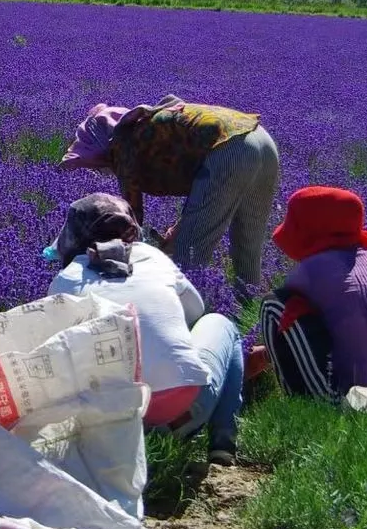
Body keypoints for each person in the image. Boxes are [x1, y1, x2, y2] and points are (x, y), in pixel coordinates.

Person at [46, 193, 247, 466]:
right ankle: (223, 441)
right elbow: (196, 312)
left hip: (107, 431)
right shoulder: (152, 257)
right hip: (181, 418)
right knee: (221, 324)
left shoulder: (64, 279)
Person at [60, 94, 280, 287]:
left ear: (101, 148)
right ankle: (249, 306)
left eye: (95, 164)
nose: (99, 171)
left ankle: (189, 317)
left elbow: (131, 220)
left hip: (228, 150)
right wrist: (178, 229)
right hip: (260, 138)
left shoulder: (123, 146)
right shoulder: (146, 125)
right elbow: (202, 191)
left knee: (190, 252)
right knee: (248, 238)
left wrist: (141, 261)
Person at [258, 186, 367, 402]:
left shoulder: (309, 272)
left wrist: (268, 353)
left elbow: (301, 331)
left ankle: (311, 404)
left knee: (275, 306)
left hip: (359, 396)